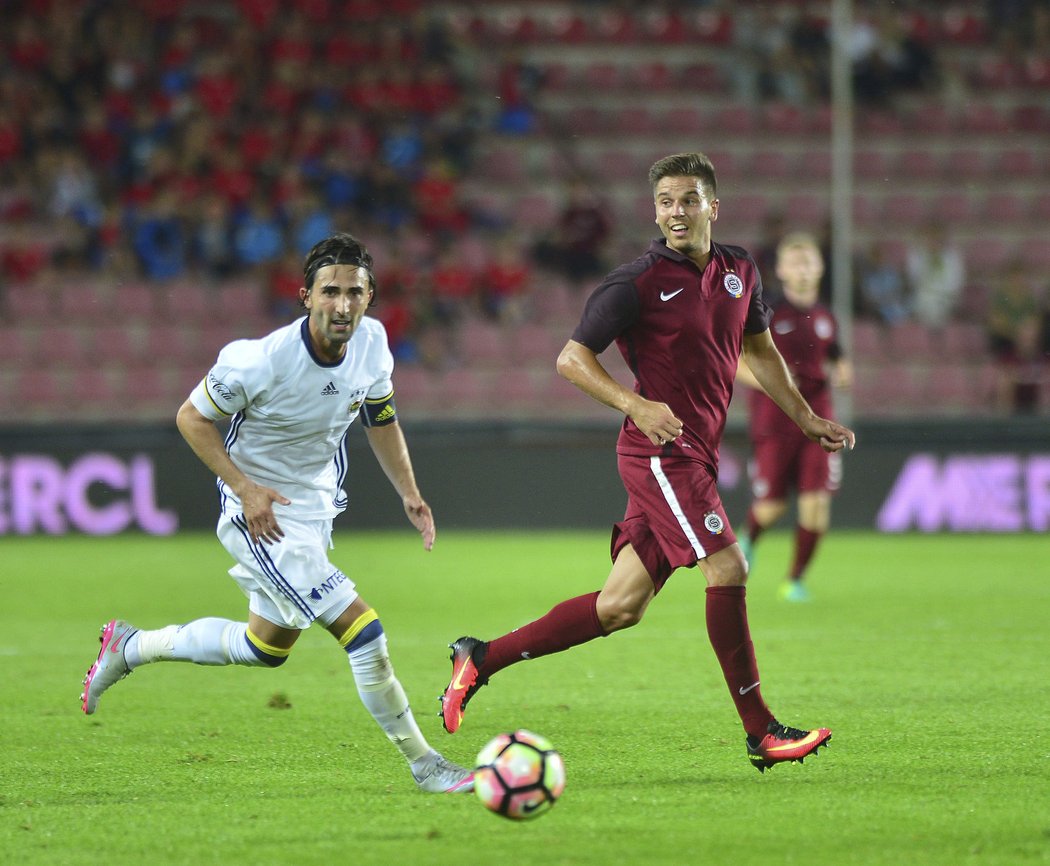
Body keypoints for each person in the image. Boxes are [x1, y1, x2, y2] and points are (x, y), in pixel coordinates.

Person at [440, 153, 855, 772]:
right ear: (654, 211)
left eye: (688, 200)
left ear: (714, 205)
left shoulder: (741, 269)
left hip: (697, 454)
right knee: (729, 565)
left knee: (619, 607)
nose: (675, 212)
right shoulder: (634, 282)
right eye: (664, 201)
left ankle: (480, 657)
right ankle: (761, 730)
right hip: (660, 453)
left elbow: (761, 352)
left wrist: (805, 417)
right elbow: (571, 359)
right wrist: (636, 404)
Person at [80, 232, 473, 795]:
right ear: (305, 296)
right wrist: (244, 487)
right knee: (365, 633)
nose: (343, 305)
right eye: (330, 292)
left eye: (355, 293)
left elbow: (379, 418)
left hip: (311, 509)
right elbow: (191, 418)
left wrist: (409, 492)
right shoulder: (261, 360)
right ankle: (426, 764)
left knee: (264, 648)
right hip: (260, 514)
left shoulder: (375, 344)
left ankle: (131, 644)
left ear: (370, 297)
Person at [736, 233, 853, 602]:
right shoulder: (766, 311)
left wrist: (843, 371)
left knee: (816, 504)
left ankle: (795, 580)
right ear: (782, 270)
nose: (803, 270)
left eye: (809, 262)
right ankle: (748, 539)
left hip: (819, 418)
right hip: (775, 420)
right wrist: (775, 385)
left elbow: (837, 357)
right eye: (796, 262)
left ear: (819, 269)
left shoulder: (825, 316)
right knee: (772, 506)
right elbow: (735, 360)